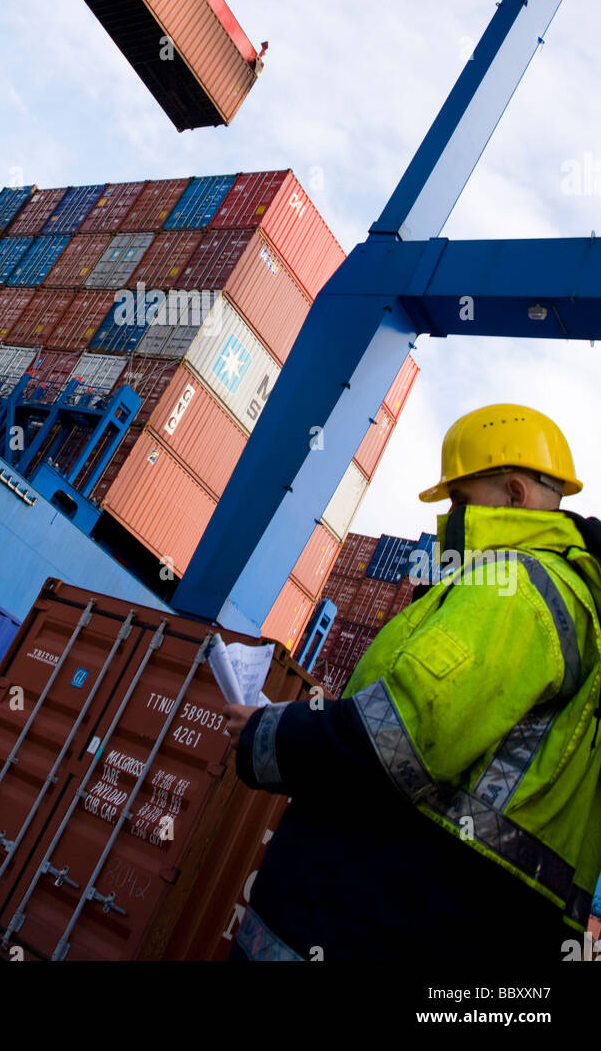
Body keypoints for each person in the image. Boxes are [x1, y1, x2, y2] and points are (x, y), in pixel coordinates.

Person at [226, 404, 601, 962]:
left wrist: (265, 735)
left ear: (515, 494)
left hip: (382, 913)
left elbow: (400, 736)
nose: (447, 517)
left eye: (459, 498)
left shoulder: (516, 589)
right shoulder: (565, 598)